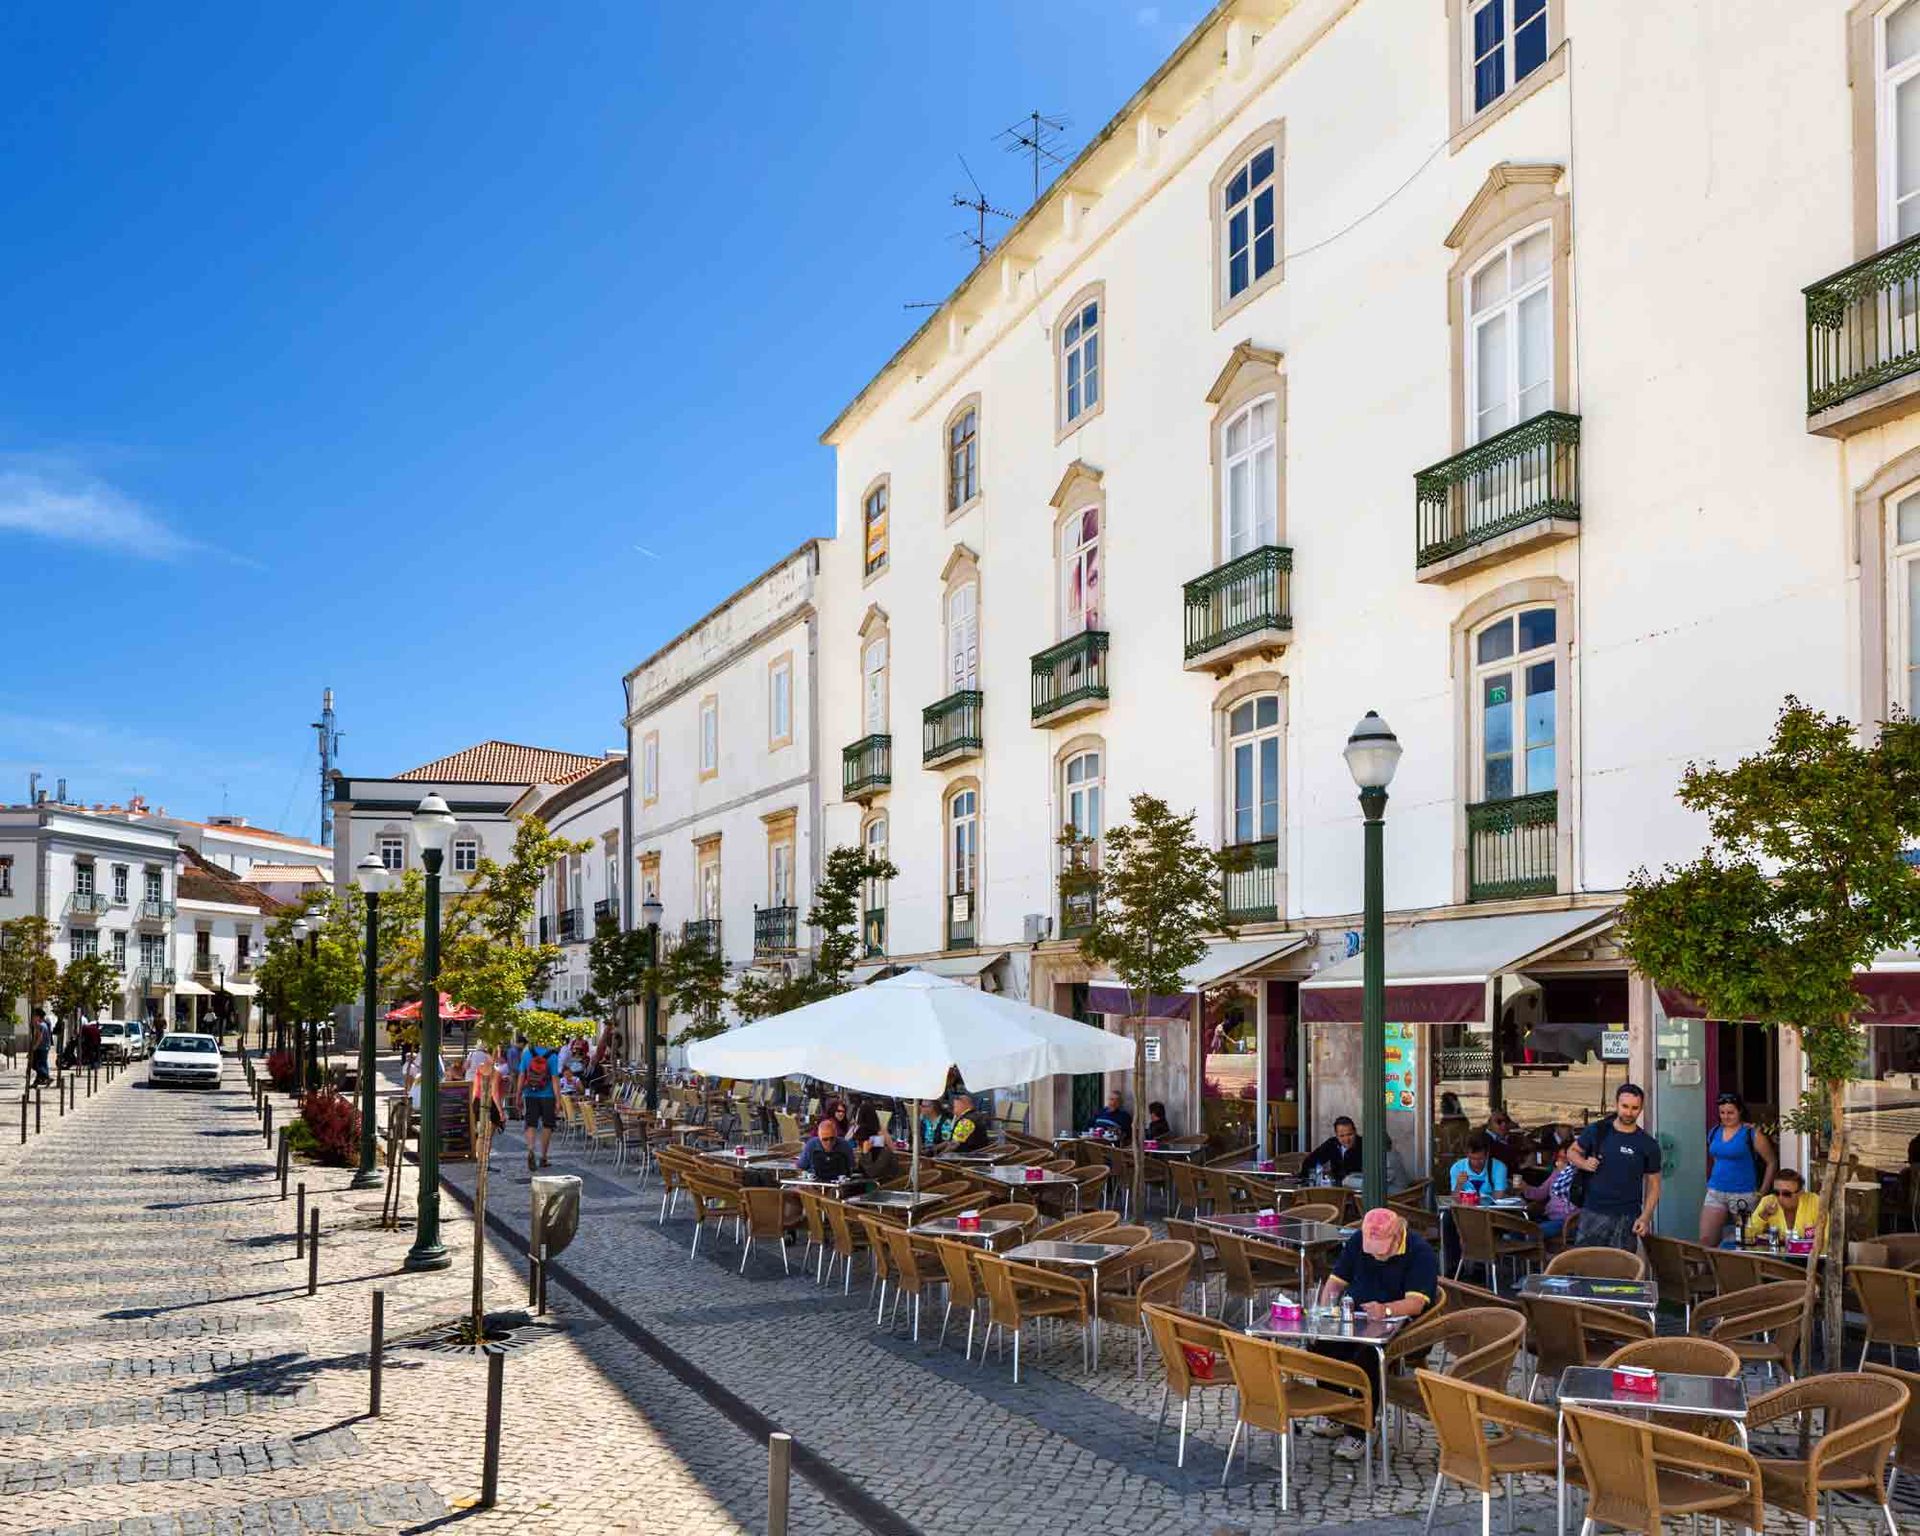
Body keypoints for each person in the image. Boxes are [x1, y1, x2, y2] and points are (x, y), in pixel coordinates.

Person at [1313, 1208, 1436, 1463]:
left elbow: (1415, 1303)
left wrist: (1385, 1309)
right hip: (1357, 1318)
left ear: (1397, 1234)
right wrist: (1325, 1314)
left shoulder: (1419, 1251)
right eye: (1372, 1246)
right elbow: (1335, 1282)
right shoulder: (1358, 1240)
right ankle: (1337, 1413)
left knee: (1367, 1356)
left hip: (1402, 1326)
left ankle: (1361, 1428)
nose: (1377, 1253)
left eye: (1382, 1247)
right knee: (1321, 1345)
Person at [1567, 1083, 1663, 1252]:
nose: (1629, 1112)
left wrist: (1645, 1217)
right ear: (1616, 1104)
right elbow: (1572, 1152)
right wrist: (1584, 1163)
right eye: (1625, 1106)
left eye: (1635, 1108)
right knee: (1586, 1266)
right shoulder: (1597, 1131)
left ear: (1641, 1109)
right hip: (1593, 1211)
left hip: (1627, 1216)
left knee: (1622, 1270)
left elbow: (1654, 1185)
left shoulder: (1648, 1144)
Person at [1700, 1092, 1776, 1248]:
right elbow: (1717, 1158)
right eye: (1722, 1113)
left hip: (1743, 1194)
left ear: (1740, 1111)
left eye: (1730, 1112)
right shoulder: (1714, 1132)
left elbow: (1771, 1162)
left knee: (1747, 1241)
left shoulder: (1751, 1133)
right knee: (1706, 1241)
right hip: (1716, 1191)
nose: (1726, 1116)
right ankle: (1704, 1272)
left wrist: (1762, 1192)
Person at [1744, 1167, 1821, 1248]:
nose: (1780, 1198)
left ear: (1800, 1193)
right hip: (1776, 1257)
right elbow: (1747, 1235)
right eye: (1776, 1193)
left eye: (1786, 1194)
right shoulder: (1768, 1201)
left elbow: (1826, 1238)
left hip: (1809, 1256)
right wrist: (1764, 1215)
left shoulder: (1814, 1202)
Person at [1520, 1137, 1577, 1243]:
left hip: (1568, 1221)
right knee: (1516, 1229)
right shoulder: (1556, 1173)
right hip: (1550, 1217)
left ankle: (1545, 1257)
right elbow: (1541, 1193)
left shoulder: (1580, 1175)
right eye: (1559, 1157)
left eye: (1566, 1159)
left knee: (1532, 1233)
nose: (1561, 1161)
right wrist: (1525, 1187)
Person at [521, 1038, 561, 1171]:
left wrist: (517, 1095)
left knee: (531, 1123)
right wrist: (558, 1100)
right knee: (547, 1125)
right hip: (548, 1095)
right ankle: (543, 1157)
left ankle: (531, 1149)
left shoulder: (527, 1054)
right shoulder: (553, 1056)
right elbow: (555, 1079)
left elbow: (522, 1076)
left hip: (530, 1093)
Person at [1302, 1117, 1364, 1184]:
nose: (1346, 1139)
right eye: (1342, 1136)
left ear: (1355, 1132)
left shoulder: (1364, 1145)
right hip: (1336, 1188)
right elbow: (1310, 1161)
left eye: (1350, 1134)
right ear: (1336, 1136)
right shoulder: (1332, 1144)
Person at [1449, 1133, 1510, 1199]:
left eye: (1480, 1159)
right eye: (1472, 1158)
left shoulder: (1499, 1167)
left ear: (1487, 1154)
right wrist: (1459, 1184)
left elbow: (1499, 1196)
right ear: (1467, 1154)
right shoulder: (1457, 1168)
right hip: (1466, 1207)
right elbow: (1454, 1198)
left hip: (1490, 1208)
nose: (1476, 1162)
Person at [28, 1007, 52, 1087]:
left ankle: (46, 1077)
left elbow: (39, 1038)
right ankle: (38, 1081)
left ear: (38, 1016)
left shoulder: (41, 1025)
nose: (33, 1017)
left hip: (41, 1048)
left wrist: (34, 1048)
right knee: (42, 1064)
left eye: (34, 1016)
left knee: (36, 1064)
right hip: (44, 1047)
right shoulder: (42, 1024)